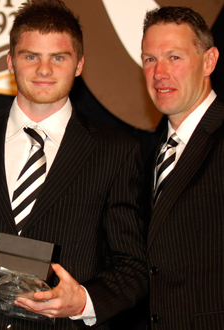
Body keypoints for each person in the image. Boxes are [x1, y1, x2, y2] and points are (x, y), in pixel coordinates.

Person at [0, 0, 148, 329]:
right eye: (31, 56)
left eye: (58, 57)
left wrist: (84, 300)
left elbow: (133, 265)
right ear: (10, 62)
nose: (44, 70)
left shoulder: (115, 152)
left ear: (79, 64)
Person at [141, 6, 224, 329]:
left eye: (174, 57)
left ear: (209, 61)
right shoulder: (148, 155)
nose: (159, 72)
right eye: (150, 59)